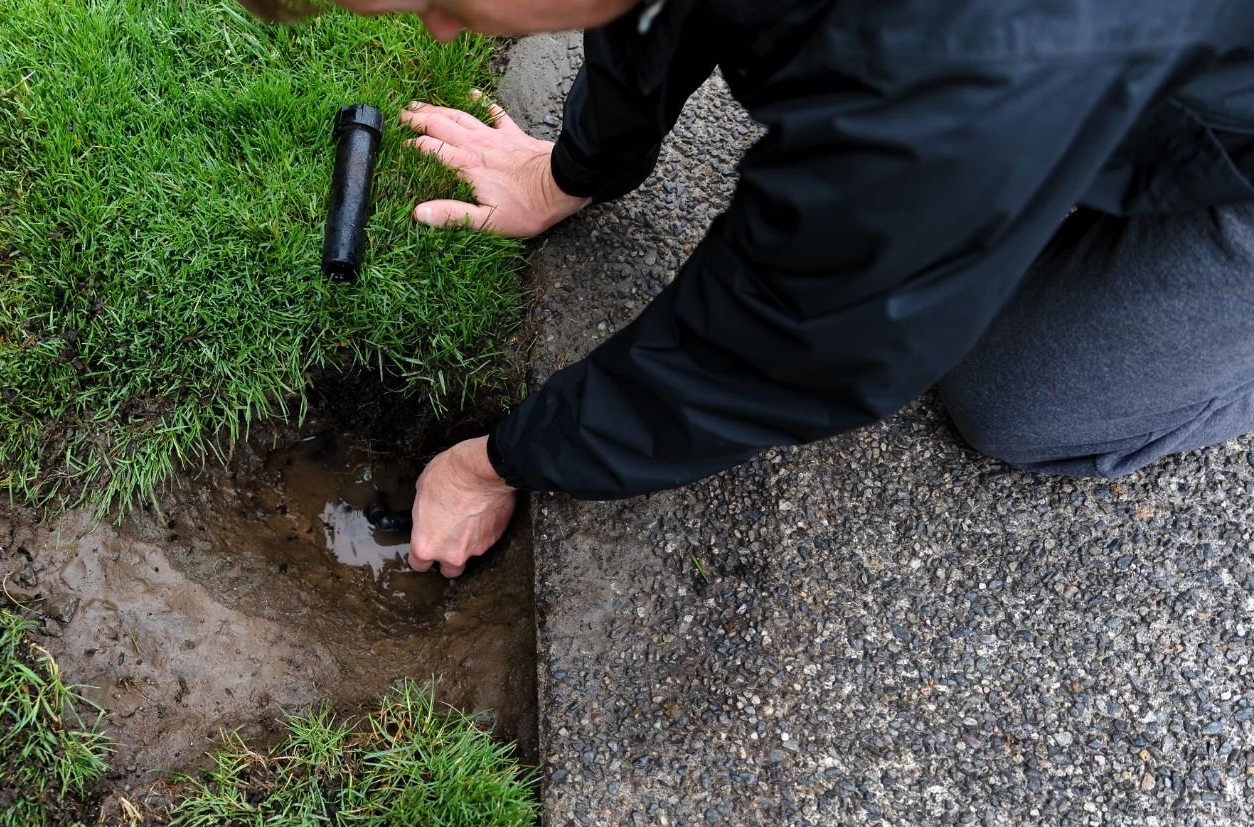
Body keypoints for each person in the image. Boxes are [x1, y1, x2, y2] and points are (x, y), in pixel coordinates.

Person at [243, 0, 1254, 577]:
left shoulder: (949, 66)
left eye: (440, 2)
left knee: (1018, 399)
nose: (443, 32)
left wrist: (495, 463)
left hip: (1159, 100)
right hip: (1114, 61)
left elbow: (785, 343)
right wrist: (575, 168)